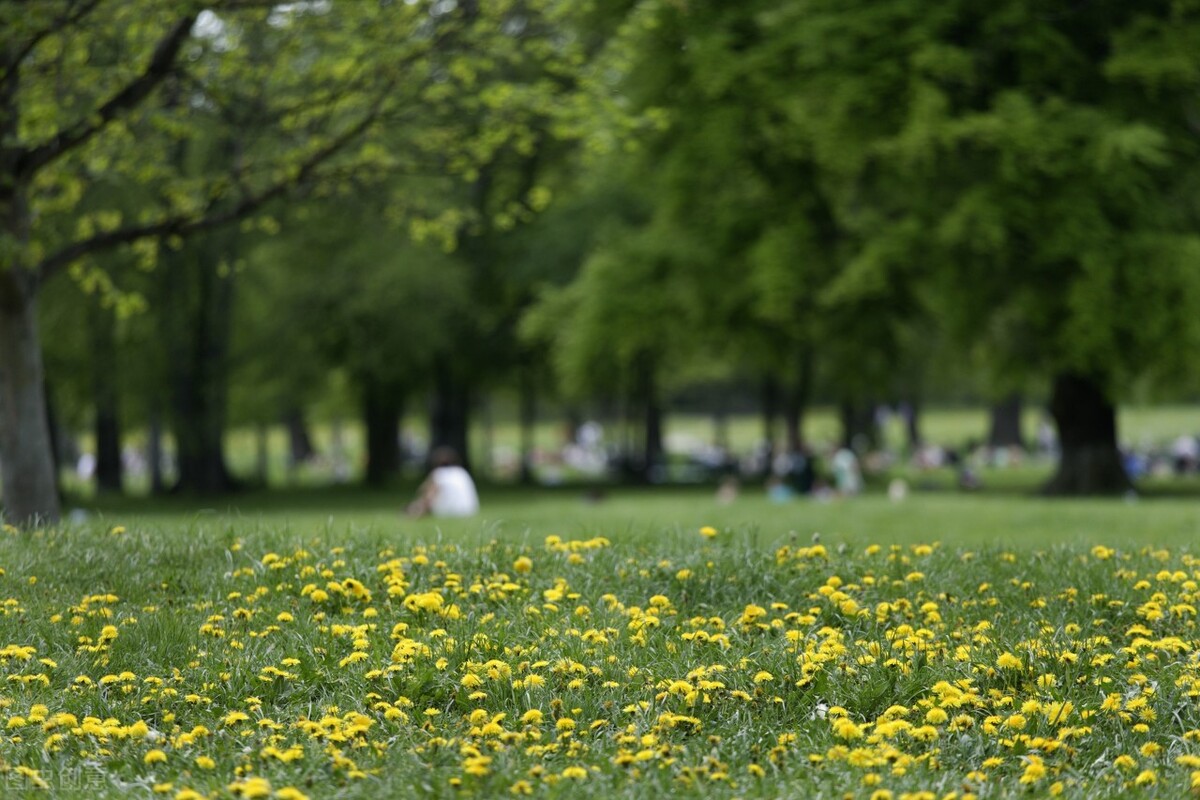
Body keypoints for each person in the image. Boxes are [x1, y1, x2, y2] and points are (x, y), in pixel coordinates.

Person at [407, 447, 479, 518]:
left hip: (449, 512)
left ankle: (412, 510)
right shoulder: (462, 472)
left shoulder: (438, 473)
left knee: (426, 501)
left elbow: (428, 497)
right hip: (469, 511)